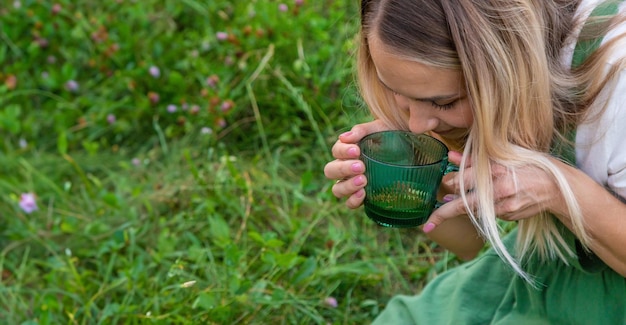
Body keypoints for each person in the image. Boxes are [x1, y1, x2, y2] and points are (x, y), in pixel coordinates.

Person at [323, 0, 626, 323]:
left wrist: (558, 189)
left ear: (507, 68)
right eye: (396, 90)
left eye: (444, 102)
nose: (415, 125)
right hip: (544, 272)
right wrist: (423, 183)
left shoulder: (617, 83)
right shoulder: (507, 91)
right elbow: (467, 241)